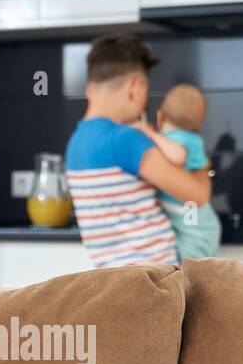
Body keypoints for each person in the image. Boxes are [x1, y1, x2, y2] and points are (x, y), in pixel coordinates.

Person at [63, 34, 212, 268]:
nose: (144, 104)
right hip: (156, 279)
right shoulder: (125, 140)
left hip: (114, 281)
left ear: (90, 88)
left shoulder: (75, 143)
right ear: (135, 87)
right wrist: (200, 163)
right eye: (145, 92)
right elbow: (197, 195)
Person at [133, 83, 222, 259]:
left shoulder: (180, 140)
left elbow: (178, 156)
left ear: (160, 117)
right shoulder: (192, 139)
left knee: (188, 270)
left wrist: (151, 134)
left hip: (194, 225)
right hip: (196, 221)